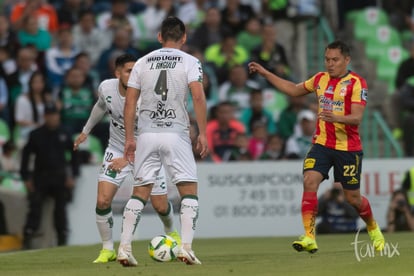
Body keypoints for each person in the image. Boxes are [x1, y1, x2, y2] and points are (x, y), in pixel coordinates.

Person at [248, 40, 385, 253]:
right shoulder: (320, 79)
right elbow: (293, 90)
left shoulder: (357, 83)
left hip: (348, 149)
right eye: (327, 59)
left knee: (353, 199)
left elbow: (357, 118)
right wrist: (266, 74)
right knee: (309, 180)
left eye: (335, 60)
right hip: (321, 144)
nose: (330, 64)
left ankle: (373, 228)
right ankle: (309, 237)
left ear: (346, 60)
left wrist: (335, 116)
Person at [73, 53, 180, 264]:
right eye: (129, 71)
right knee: (103, 200)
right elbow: (101, 106)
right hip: (116, 148)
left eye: (136, 71)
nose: (134, 75)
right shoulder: (106, 87)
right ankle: (107, 249)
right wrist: (86, 130)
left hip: (148, 153)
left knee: (160, 205)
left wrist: (128, 157)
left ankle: (171, 231)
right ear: (118, 73)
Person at [123, 16, 208, 266]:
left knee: (139, 192)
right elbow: (198, 98)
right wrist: (202, 132)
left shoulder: (141, 62)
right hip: (176, 132)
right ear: (184, 38)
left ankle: (125, 248)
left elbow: (129, 103)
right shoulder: (191, 61)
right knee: (188, 191)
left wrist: (130, 138)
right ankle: (186, 248)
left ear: (159, 37)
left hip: (147, 134)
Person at [20, 101, 79, 249]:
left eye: (55, 115)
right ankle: (28, 235)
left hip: (59, 176)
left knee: (61, 210)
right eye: (49, 115)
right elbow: (25, 157)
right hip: (41, 177)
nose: (52, 118)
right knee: (35, 207)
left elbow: (74, 156)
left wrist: (72, 175)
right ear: (44, 116)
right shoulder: (36, 135)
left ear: (58, 116)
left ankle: (62, 238)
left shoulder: (65, 133)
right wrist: (26, 177)